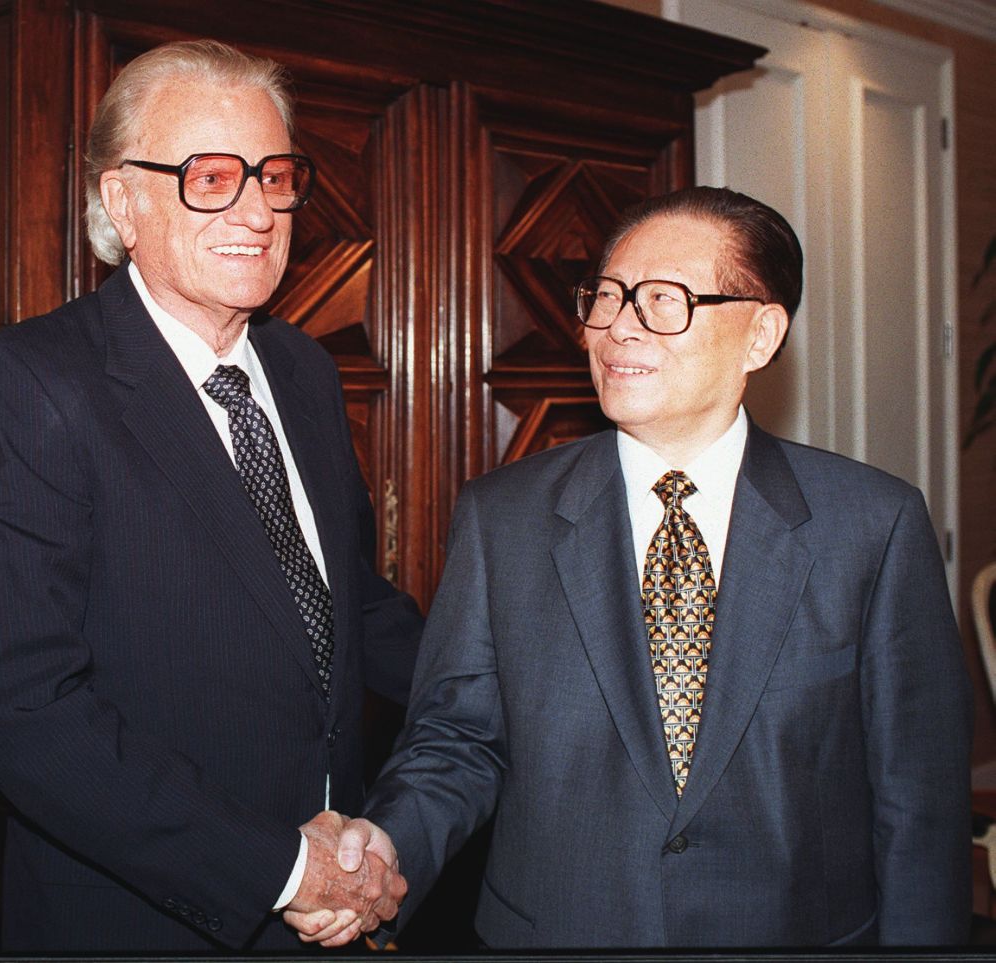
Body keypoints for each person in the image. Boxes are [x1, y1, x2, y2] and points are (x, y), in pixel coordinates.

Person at [289, 186, 973, 948]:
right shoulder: (503, 518)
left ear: (761, 333)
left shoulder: (871, 526)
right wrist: (386, 846)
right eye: (606, 298)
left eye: (662, 300)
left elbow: (918, 805)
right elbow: (458, 740)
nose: (617, 328)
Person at [0, 39, 420, 953]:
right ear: (123, 199)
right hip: (149, 917)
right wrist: (278, 867)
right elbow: (22, 701)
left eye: (274, 176)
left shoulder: (307, 372)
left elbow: (349, 605)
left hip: (344, 900)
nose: (256, 209)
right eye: (210, 176)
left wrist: (514, 691)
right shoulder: (35, 382)